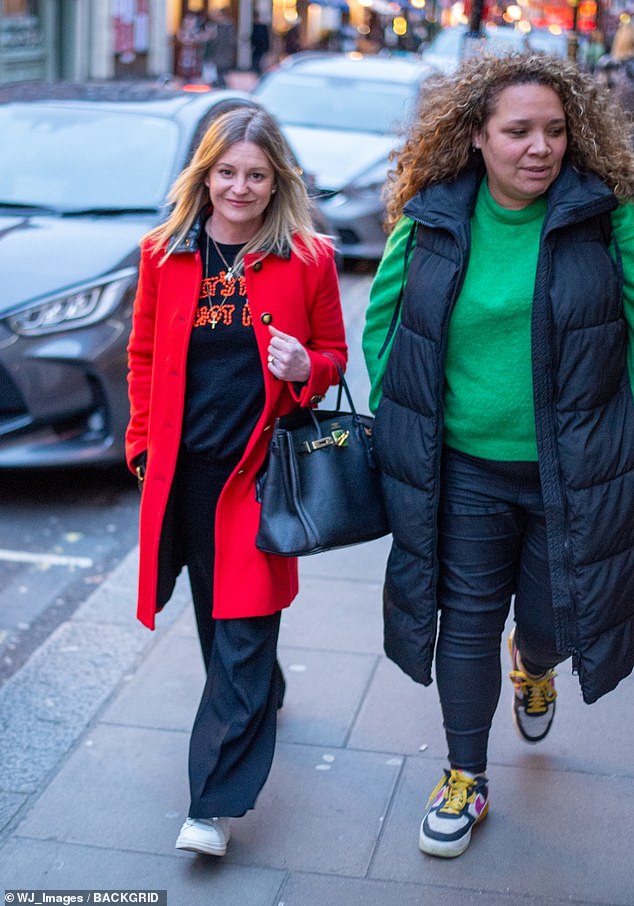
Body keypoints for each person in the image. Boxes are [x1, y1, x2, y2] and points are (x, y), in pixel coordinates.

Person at [363, 53, 634, 859]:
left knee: (555, 620)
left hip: (572, 471)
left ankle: (537, 664)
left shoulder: (606, 216)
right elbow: (386, 332)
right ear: (477, 136)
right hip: (467, 469)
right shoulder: (434, 217)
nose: (539, 148)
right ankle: (465, 775)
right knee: (469, 623)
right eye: (518, 131)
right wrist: (410, 427)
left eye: (554, 130)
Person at [126, 105, 347, 858]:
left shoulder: (309, 259)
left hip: (258, 479)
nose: (240, 188)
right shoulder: (165, 254)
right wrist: (140, 449)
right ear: (205, 174)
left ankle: (211, 806)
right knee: (218, 626)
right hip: (185, 479)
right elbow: (145, 358)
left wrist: (305, 369)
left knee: (243, 633)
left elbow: (334, 357)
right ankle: (263, 694)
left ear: (277, 179)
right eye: (226, 172)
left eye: (255, 174)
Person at [250, 10, 270, 75]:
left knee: (261, 63)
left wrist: (267, 48)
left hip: (262, 49)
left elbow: (266, 38)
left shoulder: (262, 27)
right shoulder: (253, 27)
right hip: (256, 49)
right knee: (255, 63)